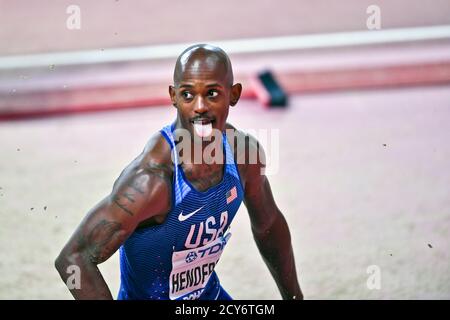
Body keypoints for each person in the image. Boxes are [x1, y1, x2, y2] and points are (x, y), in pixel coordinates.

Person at [55, 44, 303, 300]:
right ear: (173, 96)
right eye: (187, 95)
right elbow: (74, 258)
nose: (200, 107)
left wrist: (295, 297)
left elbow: (269, 225)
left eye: (212, 94)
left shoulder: (244, 156)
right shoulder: (151, 181)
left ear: (234, 94)